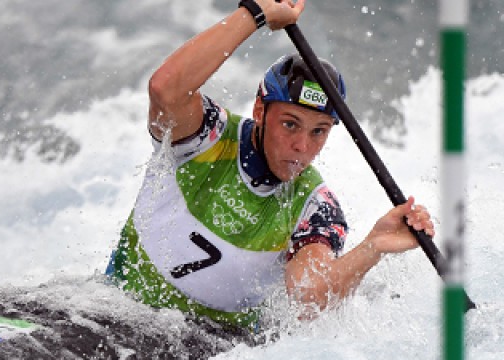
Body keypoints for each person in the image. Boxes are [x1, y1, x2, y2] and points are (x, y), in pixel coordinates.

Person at [106, 0, 435, 328]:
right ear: (260, 110)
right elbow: (165, 89)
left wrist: (373, 246)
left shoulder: (316, 208)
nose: (302, 146)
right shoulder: (206, 136)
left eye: (318, 131)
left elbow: (308, 300)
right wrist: (254, 13)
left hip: (208, 352)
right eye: (290, 124)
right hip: (115, 312)